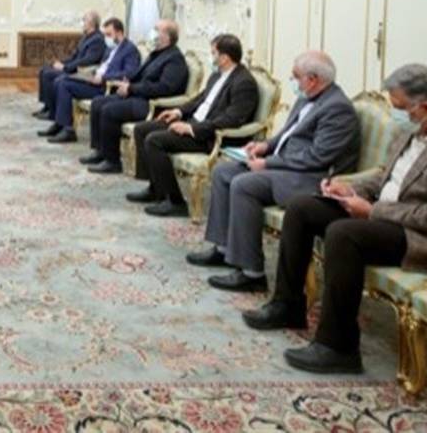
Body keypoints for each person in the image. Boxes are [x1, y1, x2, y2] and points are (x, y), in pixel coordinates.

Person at [243, 64, 427, 375]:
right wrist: (350, 188)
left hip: (421, 236)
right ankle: (287, 305)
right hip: (384, 213)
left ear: (426, 107)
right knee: (302, 208)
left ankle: (338, 347)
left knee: (344, 234)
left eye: (399, 108)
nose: (395, 115)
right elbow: (385, 176)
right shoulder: (414, 128)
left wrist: (373, 211)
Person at [187, 50, 361, 292]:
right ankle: (223, 248)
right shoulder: (307, 97)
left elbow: (317, 157)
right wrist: (265, 146)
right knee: (223, 172)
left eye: (295, 76)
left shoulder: (338, 109)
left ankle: (251, 273)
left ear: (312, 79)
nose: (292, 81)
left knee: (245, 184)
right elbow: (288, 134)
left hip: (310, 178)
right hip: (288, 167)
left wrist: (268, 163)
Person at [128, 33, 259, 217]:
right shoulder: (217, 75)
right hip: (194, 122)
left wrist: (191, 129)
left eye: (213, 53)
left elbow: (232, 119)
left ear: (224, 58)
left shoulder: (244, 82)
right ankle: (155, 188)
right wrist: (178, 112)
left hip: (209, 136)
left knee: (154, 140)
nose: (211, 57)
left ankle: (175, 202)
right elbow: (200, 99)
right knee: (142, 129)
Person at [81, 19, 189, 173]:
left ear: (166, 36)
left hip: (151, 104)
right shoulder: (156, 53)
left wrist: (131, 88)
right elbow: (141, 75)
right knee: (98, 103)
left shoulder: (175, 59)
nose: (152, 32)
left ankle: (112, 161)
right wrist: (127, 82)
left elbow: (164, 88)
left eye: (156, 29)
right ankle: (100, 151)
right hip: (137, 95)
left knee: (109, 111)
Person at [39, 18, 141, 143]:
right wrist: (91, 74)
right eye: (105, 35)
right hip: (94, 79)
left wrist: (104, 78)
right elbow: (103, 66)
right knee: (60, 80)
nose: (106, 38)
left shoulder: (130, 50)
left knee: (64, 85)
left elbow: (129, 73)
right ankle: (59, 123)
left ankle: (68, 130)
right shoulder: (111, 48)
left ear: (119, 32)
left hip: (105, 87)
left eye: (109, 34)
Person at [34, 11, 105, 121]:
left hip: (81, 72)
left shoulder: (97, 39)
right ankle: (47, 106)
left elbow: (87, 61)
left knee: (49, 75)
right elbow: (74, 56)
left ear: (91, 23)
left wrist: (65, 67)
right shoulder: (85, 37)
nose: (82, 23)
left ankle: (52, 112)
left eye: (84, 20)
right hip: (73, 67)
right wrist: (61, 63)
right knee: (44, 70)